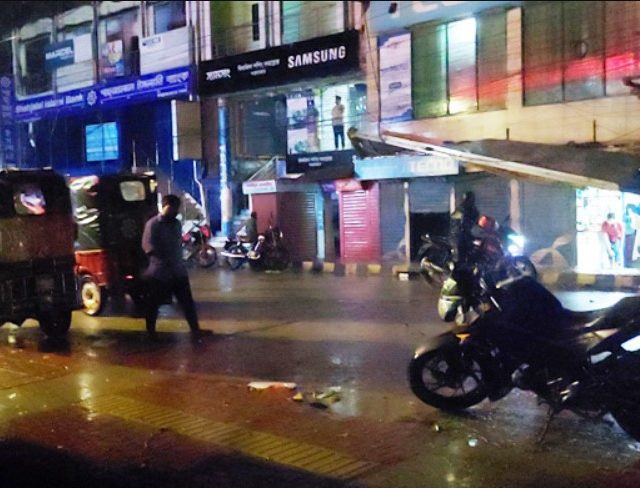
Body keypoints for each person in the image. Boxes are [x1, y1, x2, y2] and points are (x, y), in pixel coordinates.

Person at [141, 194, 202, 336]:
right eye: (173, 208)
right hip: (159, 273)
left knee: (187, 302)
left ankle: (195, 329)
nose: (176, 211)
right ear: (165, 206)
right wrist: (164, 258)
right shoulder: (153, 224)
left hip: (178, 270)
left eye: (177, 208)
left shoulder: (176, 224)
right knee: (153, 304)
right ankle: (150, 332)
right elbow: (147, 246)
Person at [449, 191, 480, 265]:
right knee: (461, 252)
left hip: (467, 234)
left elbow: (477, 222)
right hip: (459, 234)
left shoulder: (473, 210)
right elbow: (454, 219)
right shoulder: (462, 209)